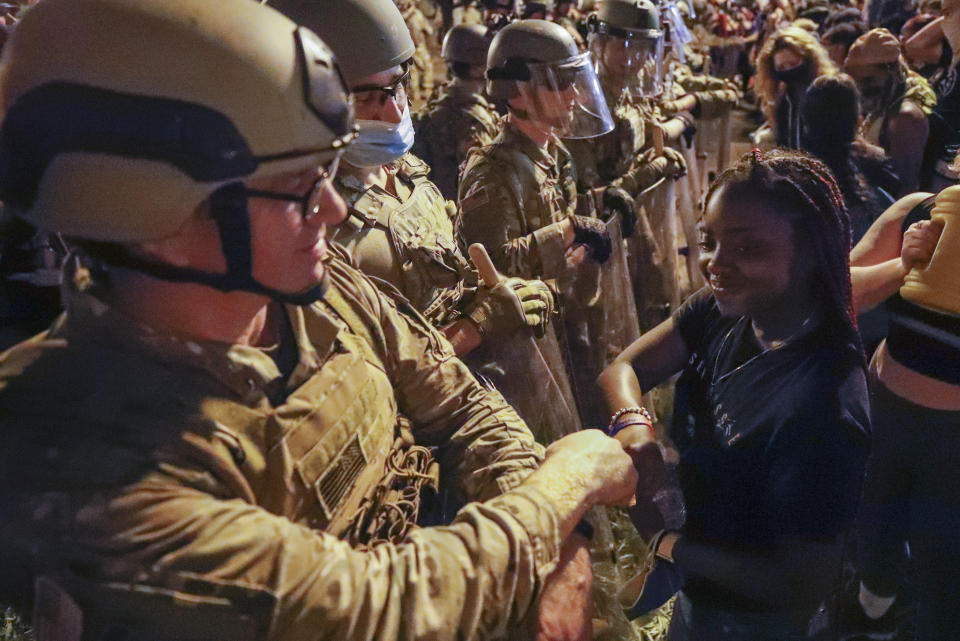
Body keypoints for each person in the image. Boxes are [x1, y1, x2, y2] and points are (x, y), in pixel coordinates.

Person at [0, 2, 642, 640]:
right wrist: (568, 485)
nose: (333, 208)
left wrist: (565, 552)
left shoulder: (321, 292)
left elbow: (465, 411)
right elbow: (376, 610)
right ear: (158, 217)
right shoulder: (79, 445)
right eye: (300, 184)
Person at [598, 148, 871, 640]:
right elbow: (623, 368)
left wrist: (667, 545)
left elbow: (798, 584)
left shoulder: (825, 406)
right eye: (709, 241)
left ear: (809, 254)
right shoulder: (722, 311)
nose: (714, 265)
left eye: (746, 249)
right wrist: (635, 427)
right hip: (699, 592)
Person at [271, 0, 553, 359]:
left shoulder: (404, 170)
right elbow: (366, 381)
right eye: (369, 99)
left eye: (397, 86)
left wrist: (496, 293)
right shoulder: (314, 227)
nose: (395, 111)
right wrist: (474, 327)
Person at [844, 184, 960, 641]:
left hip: (954, 446)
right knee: (872, 531)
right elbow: (838, 291)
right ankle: (875, 616)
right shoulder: (922, 209)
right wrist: (903, 265)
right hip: (886, 414)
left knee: (944, 565)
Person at [414, 23, 502, 200]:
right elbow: (483, 182)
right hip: (460, 210)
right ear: (478, 67)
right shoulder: (473, 119)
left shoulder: (440, 99)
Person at [844, 27, 934, 194]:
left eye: (868, 80)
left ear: (891, 71)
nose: (860, 88)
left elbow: (905, 188)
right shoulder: (884, 103)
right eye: (855, 81)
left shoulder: (905, 117)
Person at [752, 25, 836, 149]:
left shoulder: (828, 92)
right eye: (781, 67)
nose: (788, 71)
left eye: (793, 64)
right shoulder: (783, 98)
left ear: (808, 59)